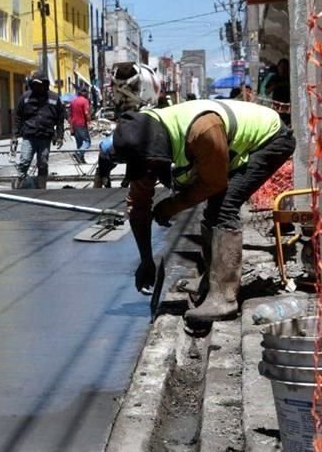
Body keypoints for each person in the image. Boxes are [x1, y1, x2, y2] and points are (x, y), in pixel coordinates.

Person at [112, 100, 295, 322]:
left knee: (224, 206)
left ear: (159, 151)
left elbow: (214, 183)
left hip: (270, 140)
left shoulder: (203, 130)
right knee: (214, 208)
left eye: (153, 166)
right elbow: (139, 206)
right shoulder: (142, 145)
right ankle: (210, 282)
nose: (150, 173)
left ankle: (224, 298)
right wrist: (146, 259)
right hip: (226, 146)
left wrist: (171, 206)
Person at [13, 73, 65, 189]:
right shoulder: (25, 98)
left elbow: (60, 119)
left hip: (45, 136)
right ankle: (19, 185)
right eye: (35, 84)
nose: (37, 87)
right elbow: (18, 117)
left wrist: (60, 136)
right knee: (24, 161)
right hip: (29, 135)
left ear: (45, 84)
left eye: (40, 84)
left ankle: (42, 187)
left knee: (43, 163)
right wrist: (15, 135)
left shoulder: (54, 98)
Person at [263, 58, 291, 125]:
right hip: (277, 107)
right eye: (281, 67)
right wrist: (276, 85)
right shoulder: (274, 78)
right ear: (278, 67)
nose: (283, 69)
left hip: (288, 107)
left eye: (285, 67)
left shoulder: (290, 78)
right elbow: (267, 91)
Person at [68, 86, 91, 164]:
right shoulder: (85, 101)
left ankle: (81, 159)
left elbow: (70, 115)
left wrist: (71, 127)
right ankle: (78, 153)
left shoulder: (73, 101)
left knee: (79, 143)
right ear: (84, 93)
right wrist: (89, 121)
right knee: (87, 142)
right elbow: (86, 113)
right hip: (81, 124)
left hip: (74, 124)